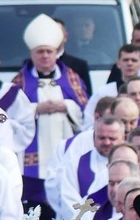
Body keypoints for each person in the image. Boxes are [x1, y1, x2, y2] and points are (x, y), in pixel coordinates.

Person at [12, 14, 88, 209]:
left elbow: (84, 111)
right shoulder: (20, 83)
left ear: (56, 53)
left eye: (49, 51)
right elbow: (11, 116)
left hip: (62, 144)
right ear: (32, 54)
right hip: (33, 154)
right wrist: (36, 109)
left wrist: (66, 106)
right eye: (40, 52)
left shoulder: (72, 79)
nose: (45, 56)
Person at [46, 116, 125, 220]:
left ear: (122, 138)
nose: (106, 142)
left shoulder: (131, 163)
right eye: (101, 138)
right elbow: (68, 200)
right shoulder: (76, 164)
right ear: (94, 136)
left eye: (112, 138)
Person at [84, 44, 140, 127]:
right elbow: (89, 120)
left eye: (134, 60)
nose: (130, 63)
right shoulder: (103, 92)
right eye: (126, 60)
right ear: (118, 63)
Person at [54, 17, 93, 95]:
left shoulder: (79, 66)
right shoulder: (30, 66)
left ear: (65, 37)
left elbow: (86, 98)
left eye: (58, 33)